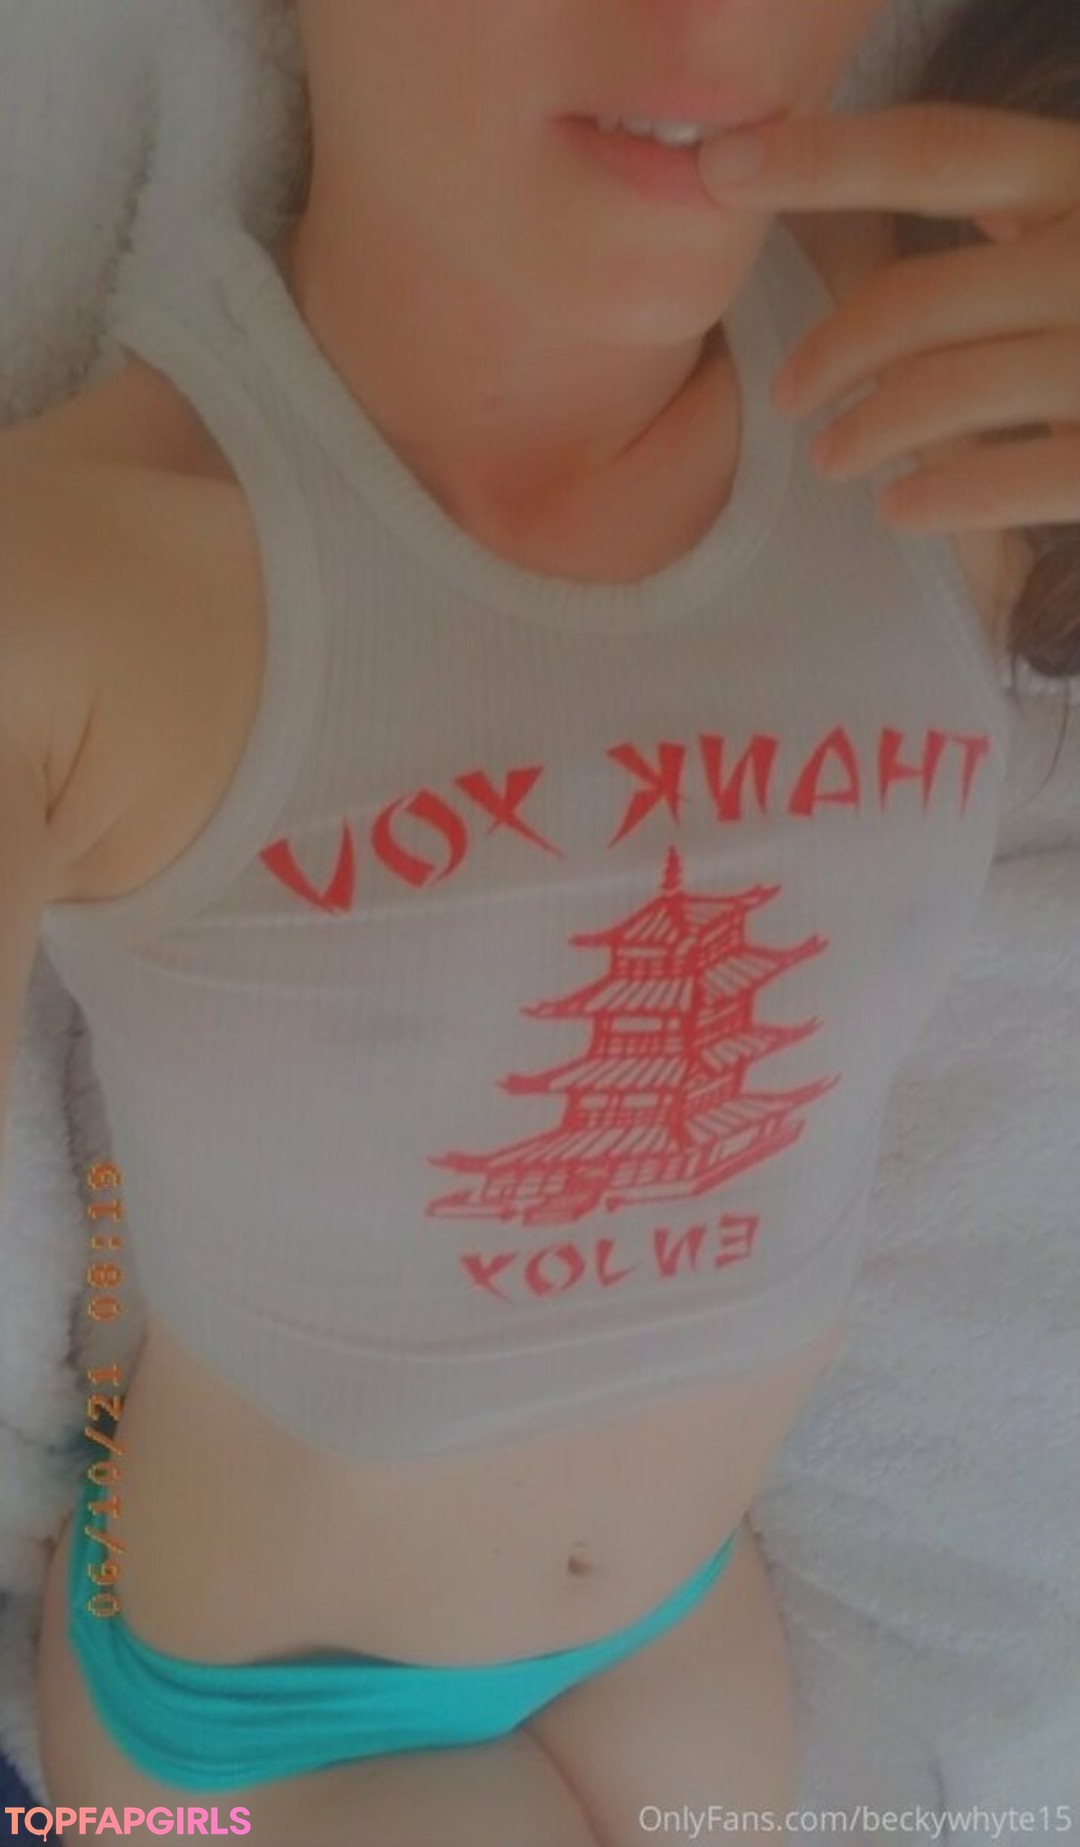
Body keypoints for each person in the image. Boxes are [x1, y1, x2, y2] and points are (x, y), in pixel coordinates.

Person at [1, 0, 1073, 1842]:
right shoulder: (80, 583)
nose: (704, 24)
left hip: (683, 1623)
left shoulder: (970, 373)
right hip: (256, 1721)